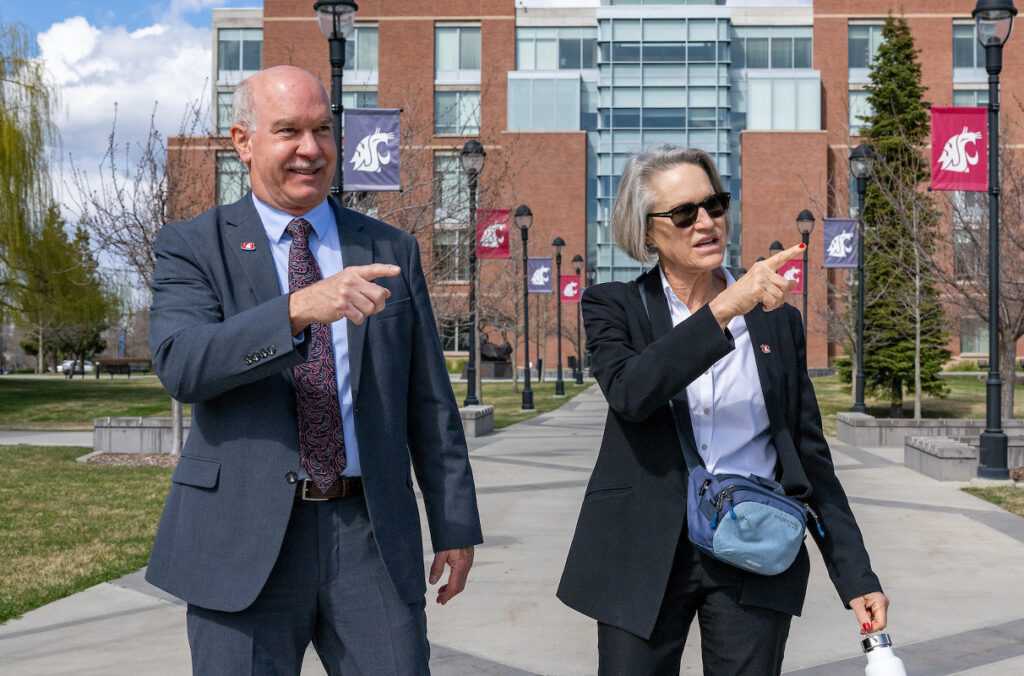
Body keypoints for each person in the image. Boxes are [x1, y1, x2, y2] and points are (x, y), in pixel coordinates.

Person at [146, 65, 482, 675]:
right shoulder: (193, 245)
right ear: (243, 141)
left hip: (370, 537)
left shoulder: (389, 249)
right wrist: (298, 310)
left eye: (323, 130)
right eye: (288, 131)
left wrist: (454, 523)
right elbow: (182, 364)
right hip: (242, 543)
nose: (310, 149)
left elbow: (430, 402)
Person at [556, 146, 888, 675]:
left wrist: (856, 576)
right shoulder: (612, 305)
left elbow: (808, 455)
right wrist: (727, 307)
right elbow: (632, 392)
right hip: (641, 551)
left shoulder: (778, 322)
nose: (706, 223)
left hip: (753, 545)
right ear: (646, 231)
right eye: (685, 213)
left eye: (715, 205)